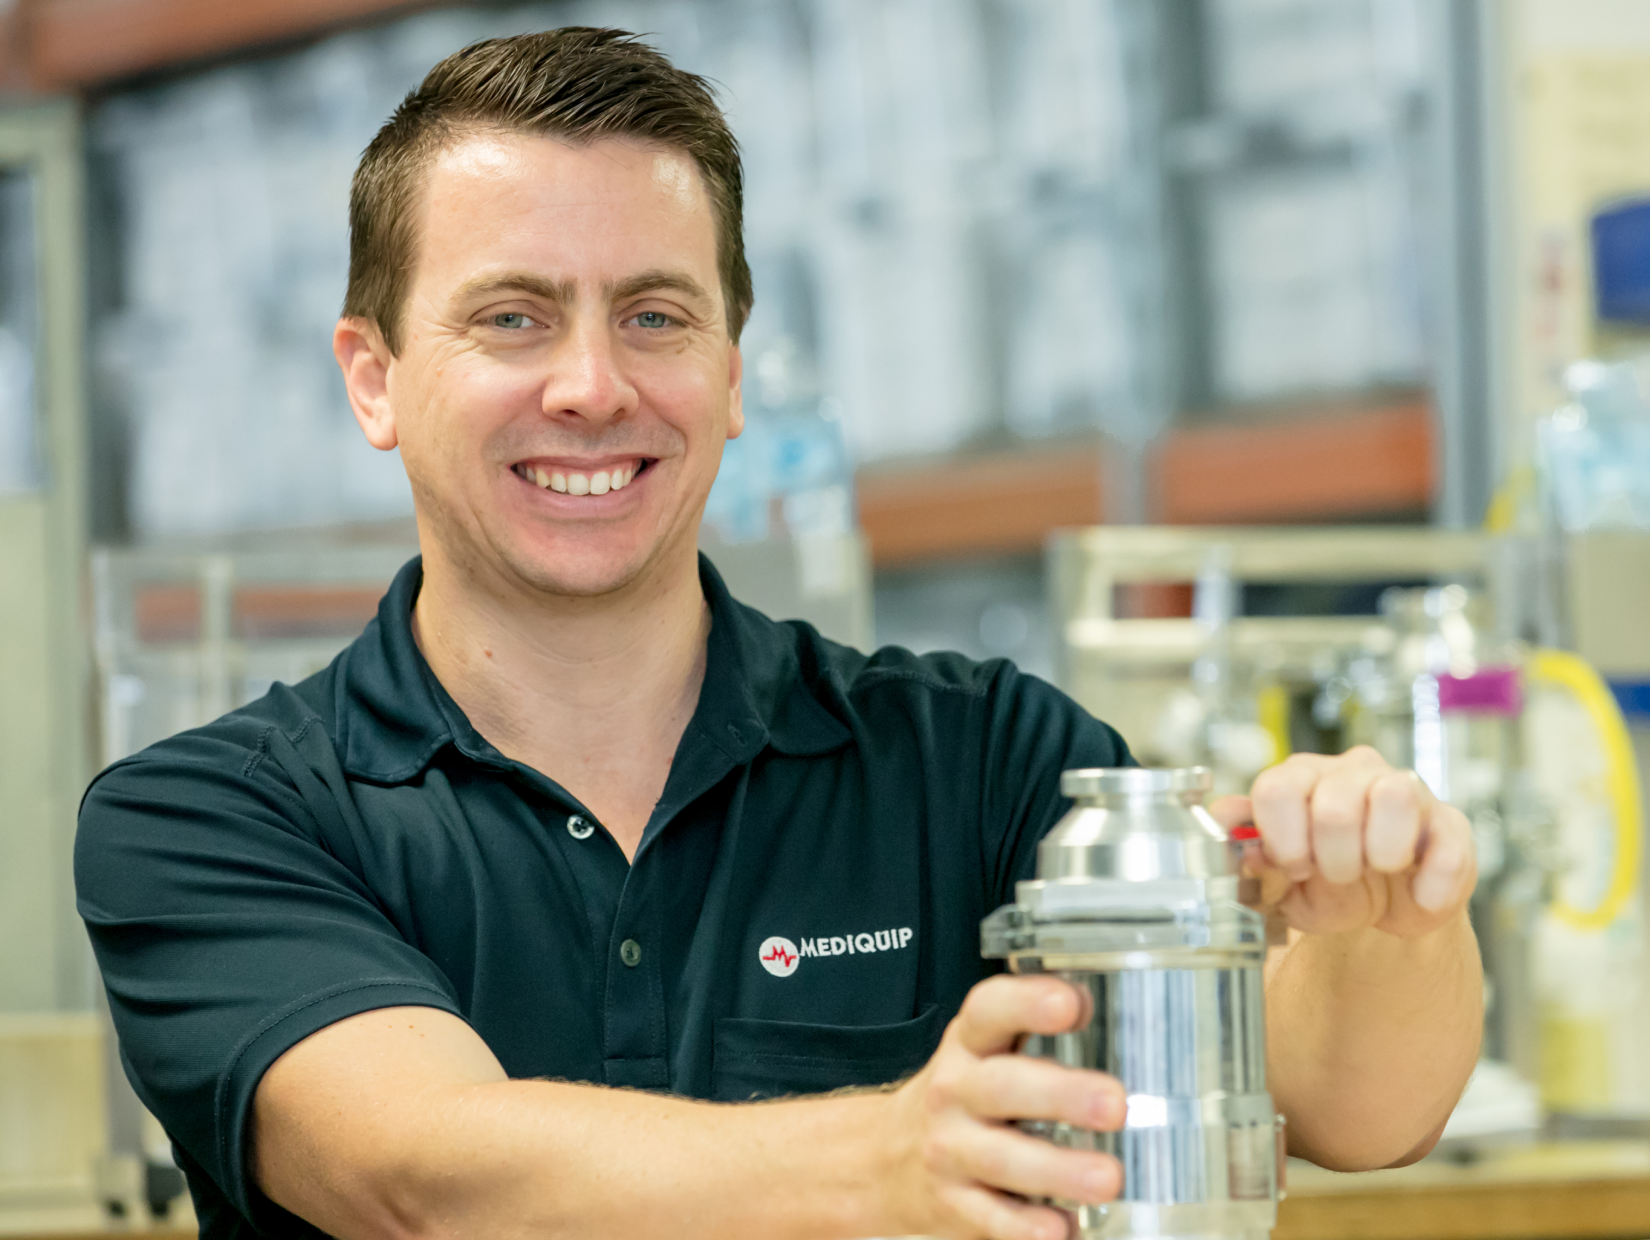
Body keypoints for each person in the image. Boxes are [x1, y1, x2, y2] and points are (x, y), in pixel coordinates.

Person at [76, 27, 1482, 1240]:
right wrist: (889, 1156)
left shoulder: (985, 760)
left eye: (654, 315)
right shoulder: (212, 819)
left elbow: (1342, 1110)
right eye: (512, 318)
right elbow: (419, 1180)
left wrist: (1388, 923)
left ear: (731, 374)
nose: (589, 386)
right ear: (374, 378)